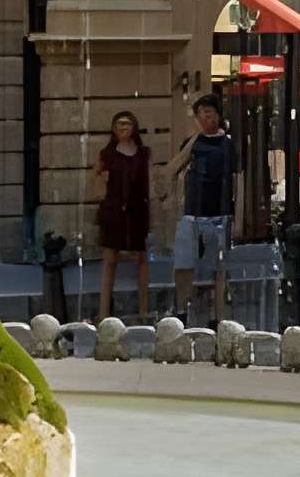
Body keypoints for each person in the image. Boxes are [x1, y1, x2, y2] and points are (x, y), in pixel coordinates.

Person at [168, 95, 240, 325]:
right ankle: (181, 311)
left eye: (209, 112)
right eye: (201, 113)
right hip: (192, 213)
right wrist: (194, 139)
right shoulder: (193, 142)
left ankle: (217, 317)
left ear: (218, 114)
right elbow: (173, 167)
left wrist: (238, 216)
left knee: (218, 268)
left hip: (220, 213)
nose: (206, 117)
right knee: (184, 264)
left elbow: (238, 179)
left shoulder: (229, 145)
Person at [89, 110, 154, 321]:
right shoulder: (107, 154)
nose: (123, 129)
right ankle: (104, 311)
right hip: (113, 211)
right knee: (109, 260)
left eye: (127, 125)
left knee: (142, 259)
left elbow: (150, 181)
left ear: (134, 128)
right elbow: (98, 181)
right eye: (119, 125)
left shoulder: (144, 153)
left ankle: (144, 311)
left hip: (137, 211)